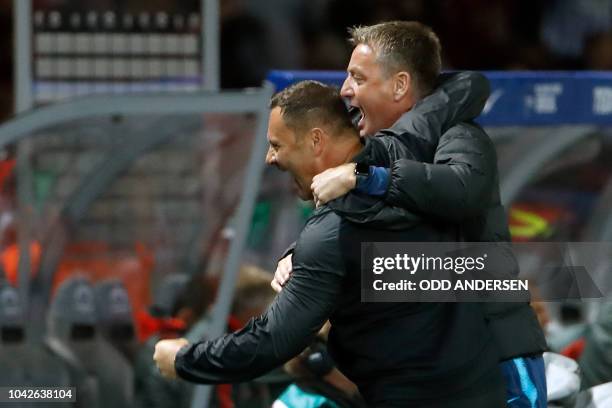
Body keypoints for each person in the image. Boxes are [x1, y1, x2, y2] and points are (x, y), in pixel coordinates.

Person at [154, 81, 506, 407]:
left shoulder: (333, 231)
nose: (269, 158)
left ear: (317, 141)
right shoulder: (409, 161)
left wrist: (185, 360)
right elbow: (468, 85)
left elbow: (273, 341)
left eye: (276, 145)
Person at [271, 21, 548, 407]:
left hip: (496, 352)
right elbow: (354, 227)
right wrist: (297, 253)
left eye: (357, 77)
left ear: (399, 85)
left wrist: (368, 177)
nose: (345, 90)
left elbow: (462, 189)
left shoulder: (459, 136)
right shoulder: (376, 154)